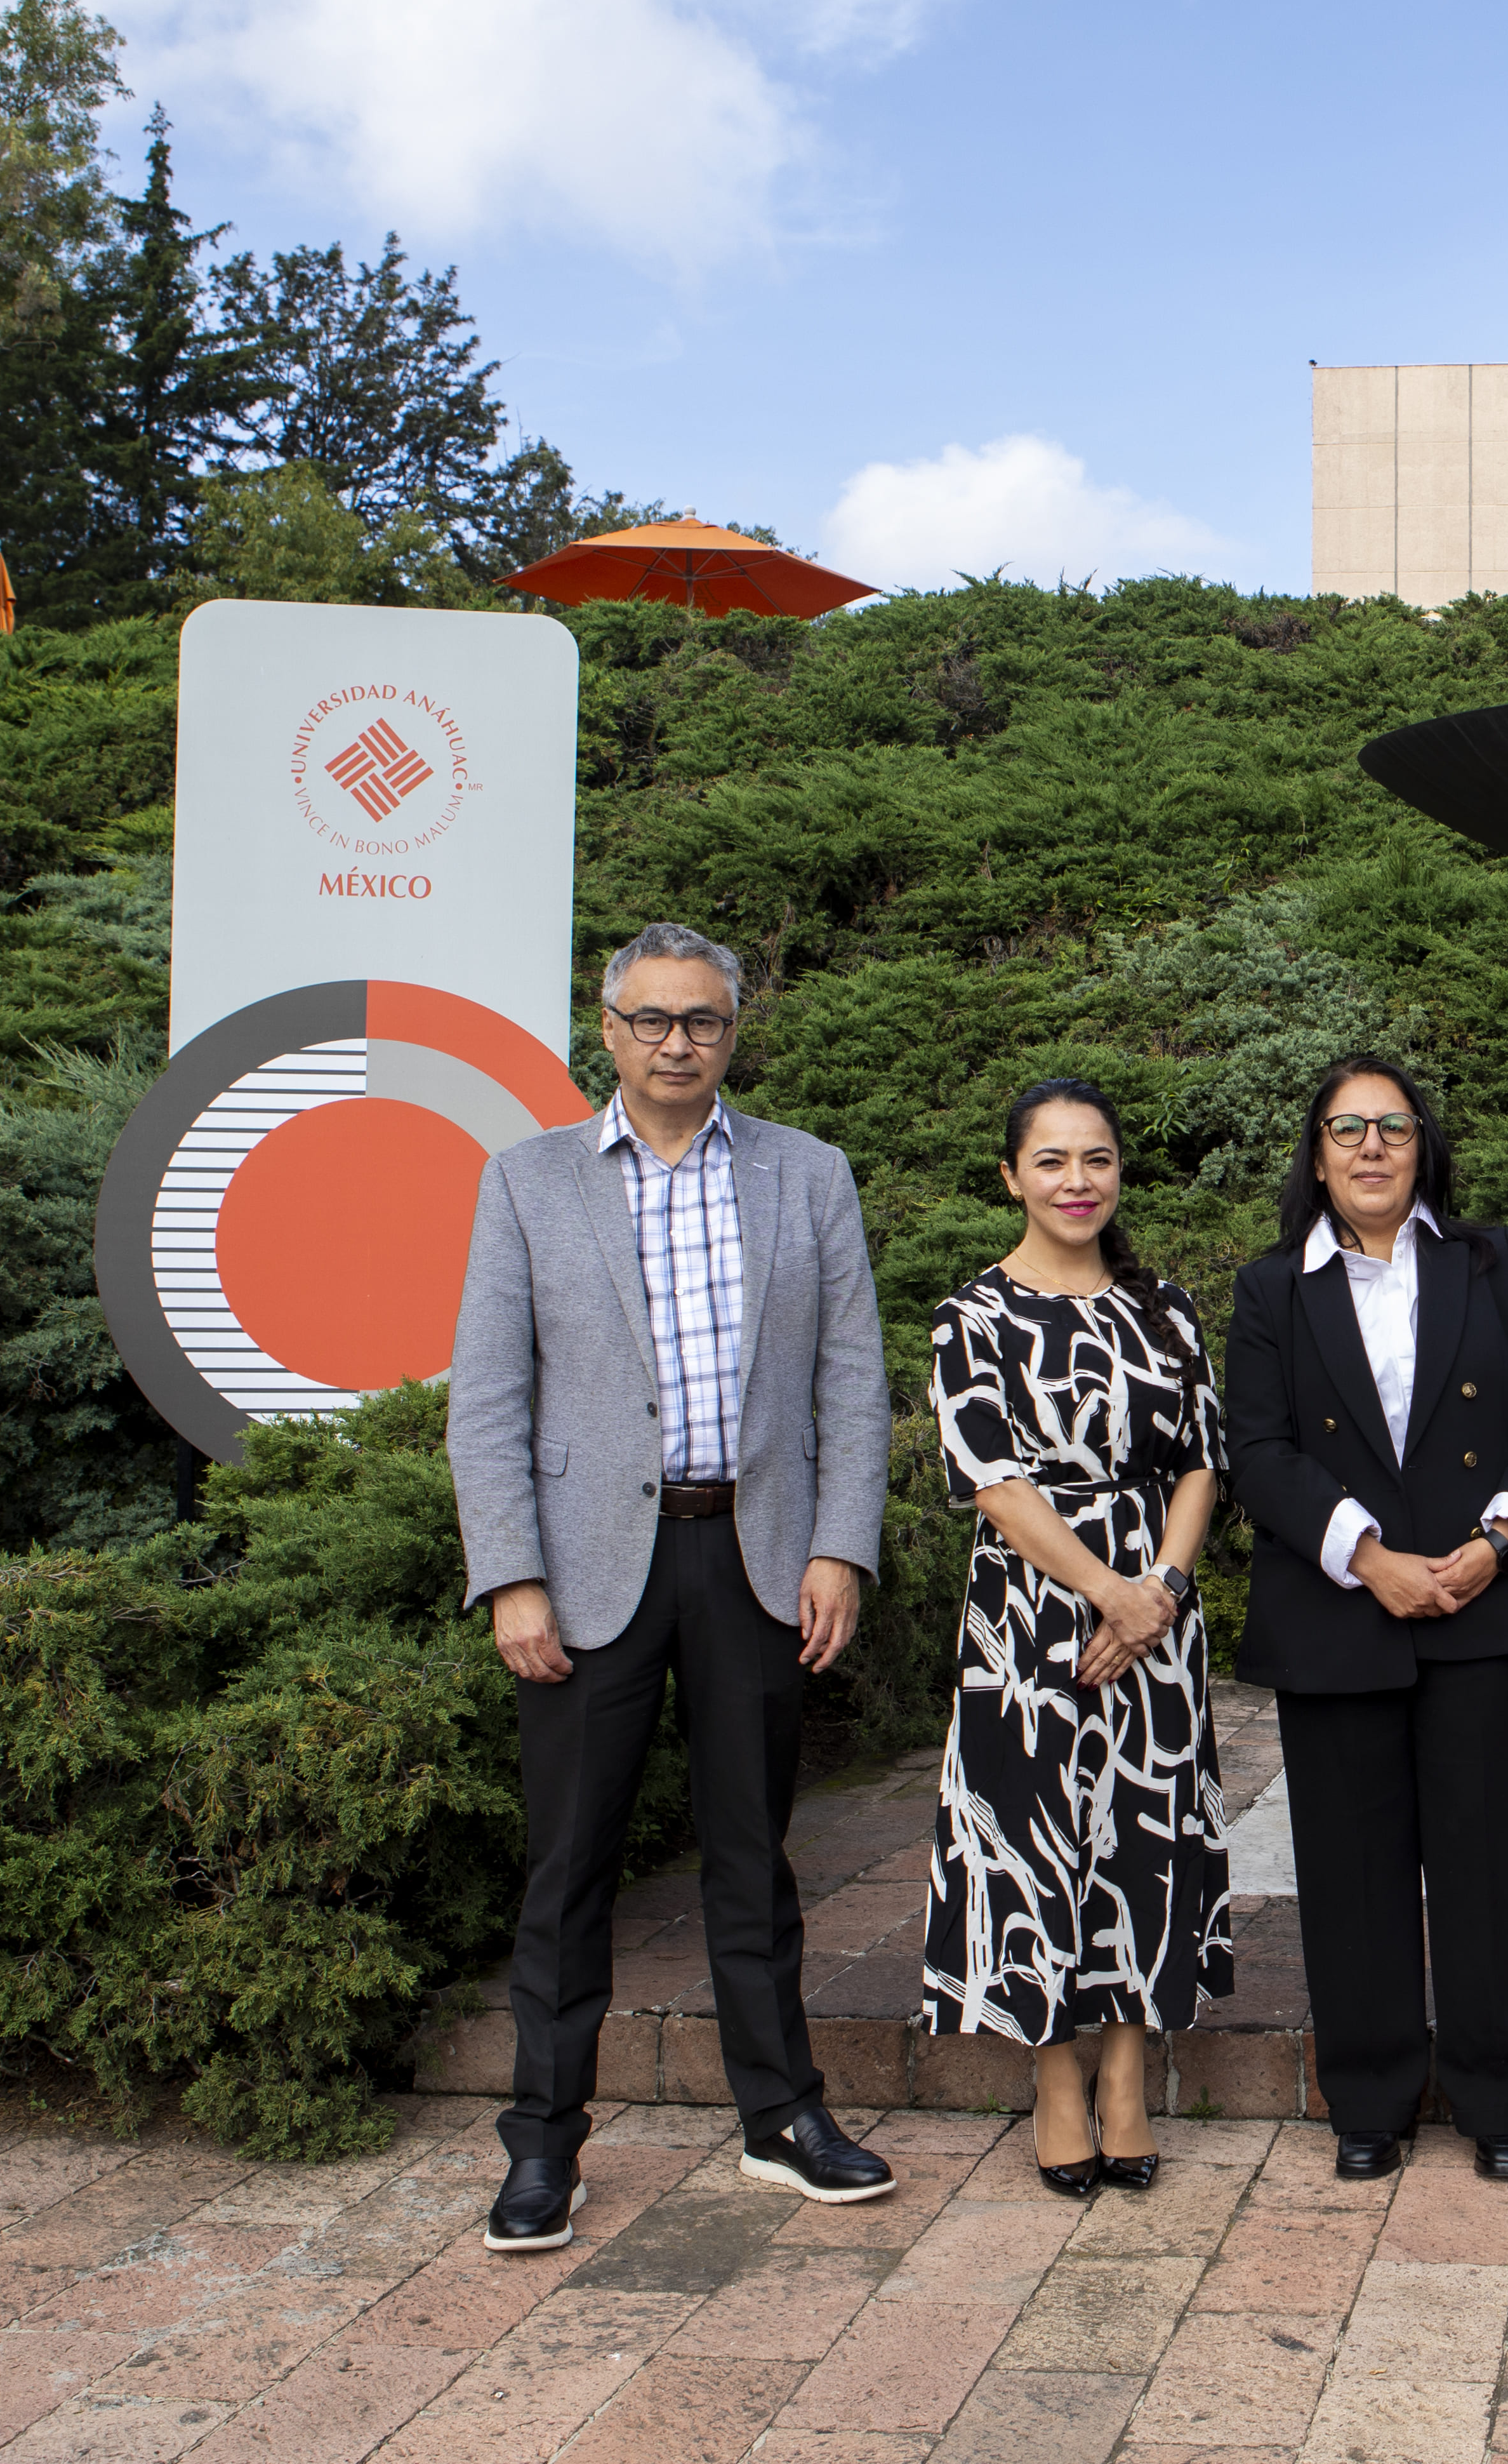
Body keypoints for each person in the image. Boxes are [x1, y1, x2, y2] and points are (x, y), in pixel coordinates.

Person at [447, 921, 899, 2252]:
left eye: (700, 1019)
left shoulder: (805, 1174)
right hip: (586, 1573)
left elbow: (852, 1381)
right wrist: (511, 1575)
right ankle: (543, 2144)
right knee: (568, 1867)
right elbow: (488, 1398)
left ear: (734, 1029)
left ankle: (782, 2117)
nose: (676, 1042)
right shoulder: (526, 1181)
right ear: (609, 1029)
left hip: (753, 1557)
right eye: (651, 1019)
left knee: (755, 1859)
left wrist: (838, 1544)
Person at [1223, 1056, 1508, 2184]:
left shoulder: (1490, 1261)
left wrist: (1497, 1544)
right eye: (1348, 1128)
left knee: (1483, 1862)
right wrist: (1368, 1557)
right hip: (1341, 1608)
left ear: (1423, 1144)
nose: (1371, 1146)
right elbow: (1259, 1450)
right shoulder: (1270, 1286)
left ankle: (1497, 2098)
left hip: (1479, 1604)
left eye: (1392, 1126)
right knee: (1349, 1865)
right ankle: (1369, 2097)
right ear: (1317, 1151)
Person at [919, 1080, 1231, 2197]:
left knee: (1141, 1834)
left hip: (1156, 1609)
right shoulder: (976, 1317)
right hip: (1033, 1617)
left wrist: (1159, 1590)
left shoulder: (1167, 1309)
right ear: (1012, 1176)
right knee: (1041, 1839)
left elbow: (1202, 1459)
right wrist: (1106, 1590)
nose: (1077, 1181)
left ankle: (1128, 2083)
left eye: (1096, 1159)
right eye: (1051, 1161)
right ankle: (1056, 2086)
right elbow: (992, 1482)